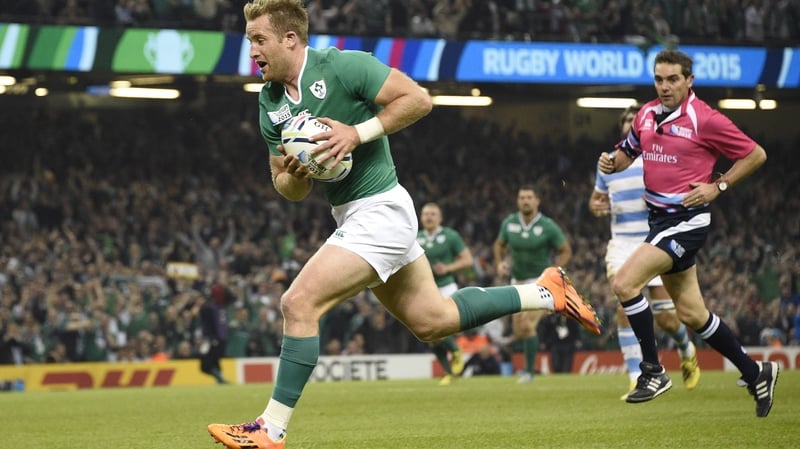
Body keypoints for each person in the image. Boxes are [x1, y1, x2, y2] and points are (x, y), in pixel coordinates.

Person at [208, 2, 600, 448]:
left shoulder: (343, 66)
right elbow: (287, 187)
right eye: (249, 40)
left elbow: (417, 99)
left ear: (290, 39)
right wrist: (294, 177)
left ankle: (270, 429)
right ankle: (546, 291)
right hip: (350, 214)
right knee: (434, 320)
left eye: (259, 39)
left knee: (298, 304)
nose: (252, 49)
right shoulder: (269, 102)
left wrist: (357, 133)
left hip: (382, 210)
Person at [598, 49, 776, 417]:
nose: (665, 86)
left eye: (673, 79)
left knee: (625, 284)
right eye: (659, 79)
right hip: (659, 222)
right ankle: (756, 371)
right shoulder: (646, 113)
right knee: (693, 315)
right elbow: (626, 154)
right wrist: (610, 163)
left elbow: (755, 154)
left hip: (687, 222)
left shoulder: (705, 119)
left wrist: (719, 186)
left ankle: (652, 371)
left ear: (689, 80)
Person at [589, 103, 701, 400]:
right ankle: (636, 376)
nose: (630, 125)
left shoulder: (656, 159)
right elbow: (596, 199)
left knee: (666, 317)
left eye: (634, 120)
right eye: (626, 121)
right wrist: (597, 206)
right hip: (621, 243)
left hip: (653, 240)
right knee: (623, 308)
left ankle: (685, 348)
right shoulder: (610, 163)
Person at [493, 184, 572, 384]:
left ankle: (529, 372)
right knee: (520, 331)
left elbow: (565, 250)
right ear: (517, 201)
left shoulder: (548, 225)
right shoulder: (509, 223)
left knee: (528, 324)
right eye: (522, 197)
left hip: (540, 282)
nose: (525, 201)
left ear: (537, 200)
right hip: (517, 281)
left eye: (529, 197)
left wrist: (555, 272)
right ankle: (536, 347)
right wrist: (500, 262)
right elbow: (499, 245)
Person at [416, 202, 473, 386]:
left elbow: (467, 260)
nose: (429, 217)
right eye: (425, 214)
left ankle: (455, 350)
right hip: (425, 289)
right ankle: (449, 372)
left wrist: (448, 267)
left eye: (433, 214)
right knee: (431, 335)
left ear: (440, 218)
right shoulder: (415, 238)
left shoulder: (450, 236)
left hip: (446, 287)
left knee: (439, 328)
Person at [199, 284, 234, 384]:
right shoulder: (222, 306)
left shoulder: (208, 308)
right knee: (215, 361)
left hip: (213, 338)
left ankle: (219, 378)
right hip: (222, 339)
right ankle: (220, 379)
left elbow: (208, 324)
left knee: (205, 365)